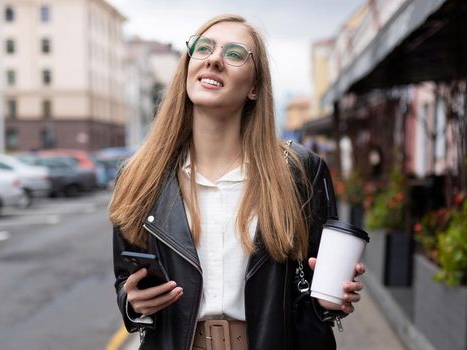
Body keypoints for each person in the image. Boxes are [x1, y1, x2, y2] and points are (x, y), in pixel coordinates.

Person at [110, 14, 365, 350]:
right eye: (203, 49)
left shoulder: (301, 171)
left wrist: (328, 301)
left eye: (234, 54)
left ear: (255, 87)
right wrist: (133, 303)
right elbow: (125, 280)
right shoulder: (140, 176)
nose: (214, 59)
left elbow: (311, 292)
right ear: (188, 66)